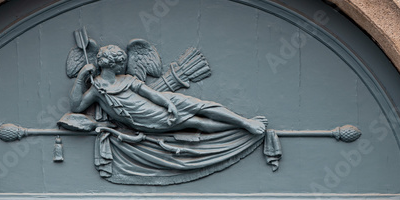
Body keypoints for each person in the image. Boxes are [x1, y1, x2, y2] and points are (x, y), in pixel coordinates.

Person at [70, 44, 267, 137]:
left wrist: (169, 103)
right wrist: (81, 78)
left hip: (161, 102)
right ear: (112, 64)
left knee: (203, 106)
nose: (122, 64)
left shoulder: (128, 80)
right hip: (146, 117)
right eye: (120, 62)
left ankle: (245, 121)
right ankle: (240, 128)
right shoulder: (96, 88)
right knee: (195, 122)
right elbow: (77, 107)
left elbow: (151, 93)